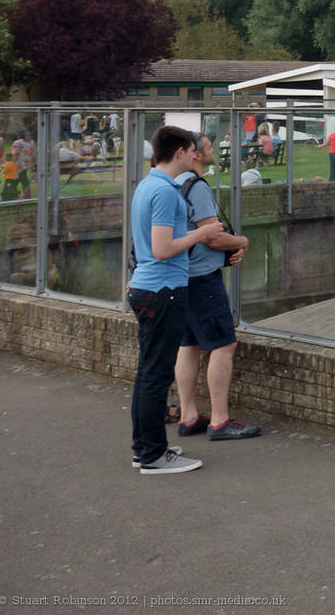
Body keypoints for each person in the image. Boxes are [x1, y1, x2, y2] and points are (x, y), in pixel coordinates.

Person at [128, 125, 222, 474]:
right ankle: (153, 454)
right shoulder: (166, 192)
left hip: (147, 286)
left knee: (148, 373)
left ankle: (145, 447)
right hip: (163, 290)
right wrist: (202, 233)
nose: (196, 153)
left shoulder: (147, 185)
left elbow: (145, 246)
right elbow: (162, 249)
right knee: (155, 375)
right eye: (192, 148)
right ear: (181, 151)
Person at [172, 134, 261, 443]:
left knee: (189, 344)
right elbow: (212, 236)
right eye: (207, 147)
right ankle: (220, 420)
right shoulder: (196, 188)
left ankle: (189, 415)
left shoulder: (172, 183)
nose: (212, 150)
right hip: (202, 278)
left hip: (180, 275)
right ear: (194, 155)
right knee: (224, 344)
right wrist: (241, 242)